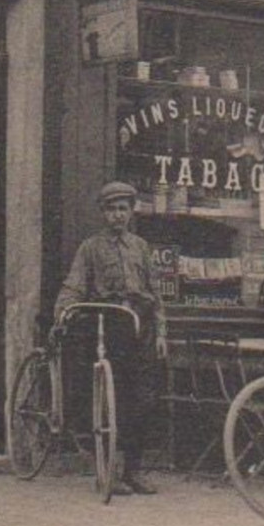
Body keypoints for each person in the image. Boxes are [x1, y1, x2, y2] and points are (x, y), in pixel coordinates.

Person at [54, 181, 166, 496]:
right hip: (110, 326)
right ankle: (109, 471)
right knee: (113, 400)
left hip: (141, 326)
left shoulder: (141, 247)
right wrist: (62, 311)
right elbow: (75, 285)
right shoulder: (90, 248)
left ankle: (133, 471)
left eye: (123, 209)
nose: (118, 215)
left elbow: (155, 293)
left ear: (131, 212)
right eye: (112, 209)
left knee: (143, 399)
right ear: (103, 214)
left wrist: (160, 332)